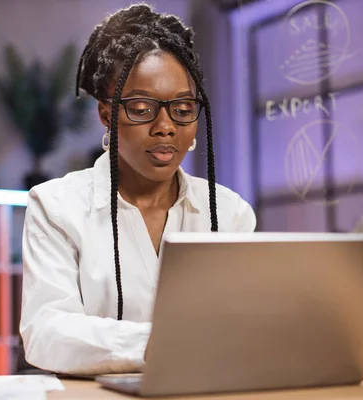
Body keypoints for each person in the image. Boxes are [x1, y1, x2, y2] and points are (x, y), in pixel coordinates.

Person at [19, 3, 256, 376]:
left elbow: (246, 326)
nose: (165, 126)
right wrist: (167, 344)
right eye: (143, 108)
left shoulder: (229, 213)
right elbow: (47, 332)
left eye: (181, 108)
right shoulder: (56, 206)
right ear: (105, 114)